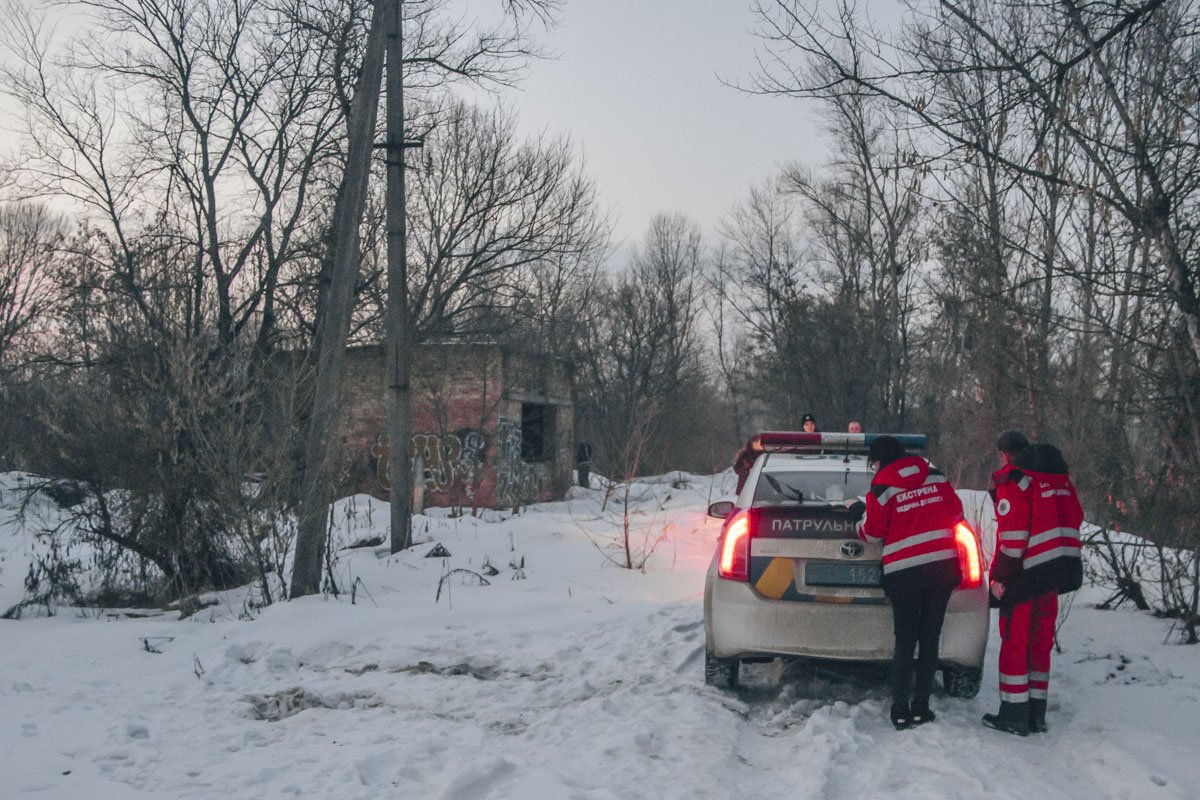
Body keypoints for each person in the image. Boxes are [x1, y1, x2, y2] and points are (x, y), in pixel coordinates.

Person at [858, 435, 964, 730]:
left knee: (905, 642)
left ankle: (899, 711)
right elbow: (957, 513)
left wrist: (858, 516)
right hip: (942, 569)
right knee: (930, 639)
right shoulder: (935, 476)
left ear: (877, 461)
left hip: (905, 575)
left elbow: (873, 533)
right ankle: (921, 708)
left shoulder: (881, 487)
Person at [983, 442, 1083, 736]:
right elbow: (1076, 517)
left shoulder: (1016, 481)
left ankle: (1014, 715)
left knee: (1015, 643)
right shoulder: (1060, 481)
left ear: (1006, 455)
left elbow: (1013, 539)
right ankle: (1036, 714)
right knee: (1040, 644)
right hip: (1053, 575)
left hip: (1024, 577)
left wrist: (1000, 577)